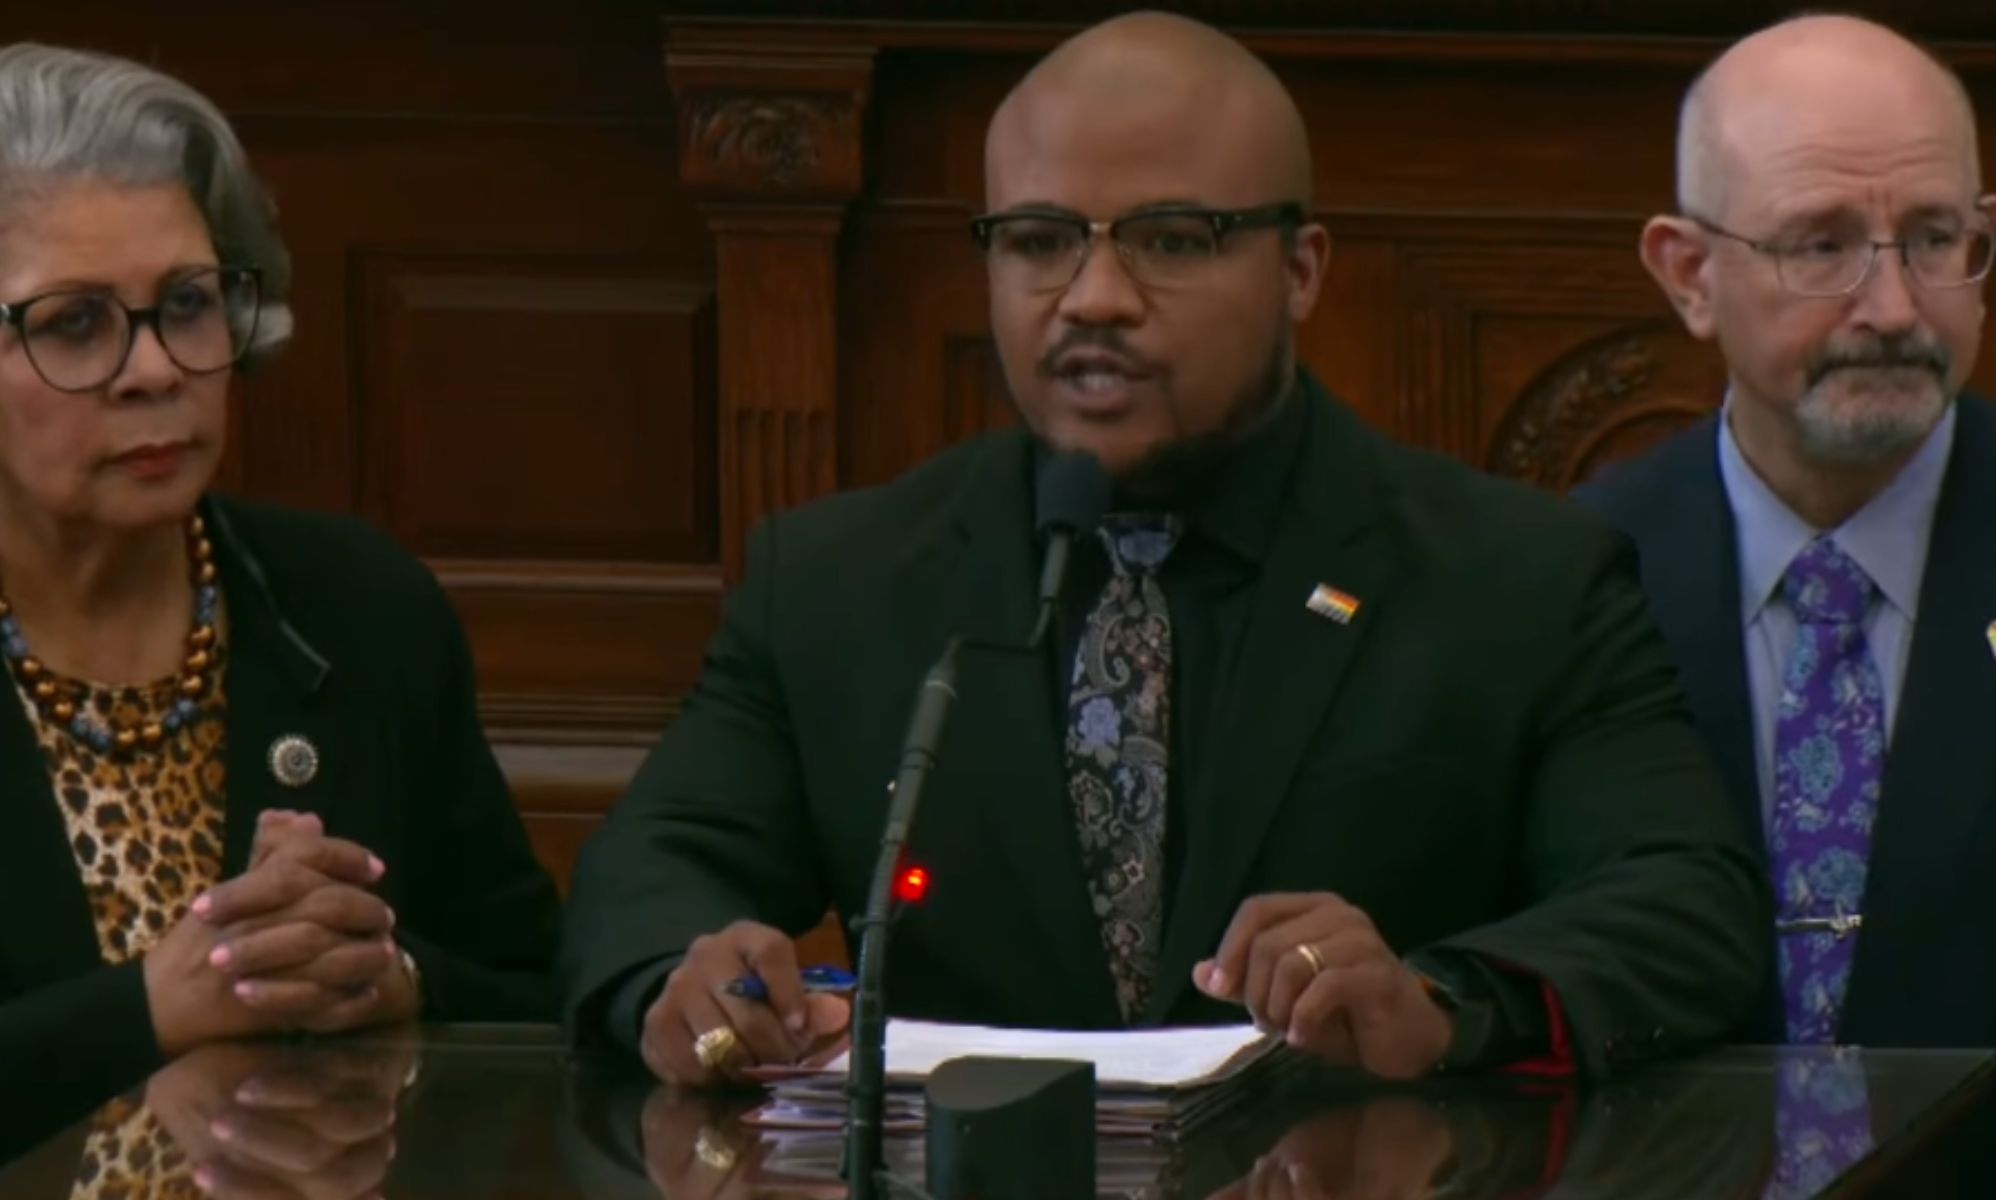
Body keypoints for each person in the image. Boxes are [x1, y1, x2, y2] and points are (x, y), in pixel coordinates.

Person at [561, 11, 1766, 1087]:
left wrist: (1441, 1001)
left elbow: (1684, 908)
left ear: (1299, 270)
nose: (1091, 295)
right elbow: (653, 869)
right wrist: (687, 981)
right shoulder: (839, 580)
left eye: (1171, 239)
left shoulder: (1514, 577)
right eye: (1037, 240)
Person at [0, 42, 563, 1131]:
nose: (156, 366)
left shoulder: (358, 606)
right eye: (75, 321)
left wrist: (389, 983)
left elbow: (537, 998)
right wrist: (153, 1008)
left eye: (189, 302)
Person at [1576, 15, 1996, 1048]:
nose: (1894, 308)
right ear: (1687, 275)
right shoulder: (1571, 576)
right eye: (1823, 246)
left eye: (1936, 240)